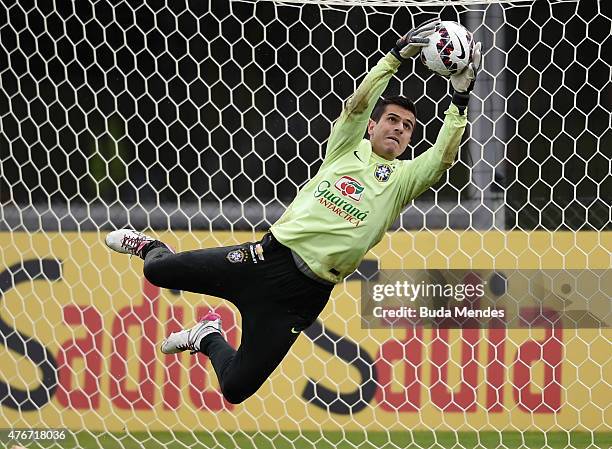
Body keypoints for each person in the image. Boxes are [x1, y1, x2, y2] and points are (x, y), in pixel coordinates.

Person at [105, 19, 482, 404]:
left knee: (236, 388)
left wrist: (460, 99)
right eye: (392, 119)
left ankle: (206, 336)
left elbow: (442, 159)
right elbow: (357, 104)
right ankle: (147, 244)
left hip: (303, 295)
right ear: (371, 127)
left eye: (408, 126)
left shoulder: (403, 179)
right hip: (265, 260)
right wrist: (394, 58)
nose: (400, 129)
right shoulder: (345, 147)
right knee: (156, 270)